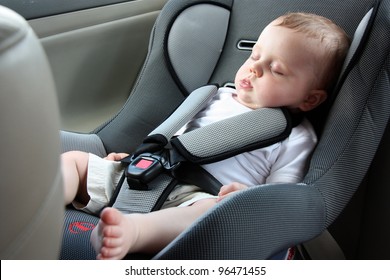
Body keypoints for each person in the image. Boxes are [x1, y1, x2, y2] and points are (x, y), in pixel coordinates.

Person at [61, 12, 350, 259]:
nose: (254, 68)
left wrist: (248, 197)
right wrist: (136, 158)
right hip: (148, 177)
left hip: (200, 197)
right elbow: (175, 138)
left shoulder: (296, 137)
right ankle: (40, 203)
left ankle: (133, 232)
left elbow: (281, 196)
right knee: (75, 161)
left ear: (310, 100)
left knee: (208, 213)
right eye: (254, 55)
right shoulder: (213, 97)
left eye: (275, 70)